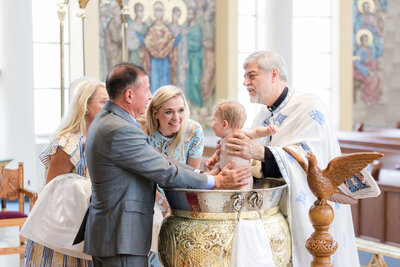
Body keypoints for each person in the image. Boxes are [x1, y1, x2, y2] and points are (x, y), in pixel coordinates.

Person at [73, 62, 251, 267]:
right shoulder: (118, 128)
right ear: (129, 95)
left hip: (115, 232)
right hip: (120, 234)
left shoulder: (111, 119)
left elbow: (162, 160)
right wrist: (214, 181)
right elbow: (164, 171)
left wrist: (202, 173)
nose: (150, 96)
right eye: (146, 89)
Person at [224, 51, 360, 266]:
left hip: (311, 214)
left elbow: (312, 161)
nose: (245, 82)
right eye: (245, 77)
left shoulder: (309, 107)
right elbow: (260, 162)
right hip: (274, 213)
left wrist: (259, 153)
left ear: (274, 74)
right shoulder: (262, 115)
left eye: (251, 76)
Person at [21, 78, 109, 266]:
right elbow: (51, 191)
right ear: (86, 106)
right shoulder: (69, 143)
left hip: (90, 225)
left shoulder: (103, 140)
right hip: (62, 230)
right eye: (103, 102)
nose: (108, 107)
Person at [141, 84, 204, 266]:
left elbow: (191, 178)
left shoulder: (193, 132)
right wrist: (162, 204)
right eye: (169, 112)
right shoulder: (142, 133)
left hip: (178, 200)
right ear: (155, 113)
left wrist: (178, 210)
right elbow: (141, 179)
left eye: (181, 110)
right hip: (147, 198)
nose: (177, 118)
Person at [206, 100, 278, 190]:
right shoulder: (222, 141)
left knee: (242, 199)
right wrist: (213, 159)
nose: (212, 123)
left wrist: (268, 131)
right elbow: (219, 152)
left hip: (243, 180)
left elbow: (256, 132)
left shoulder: (240, 134)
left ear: (224, 124)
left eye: (214, 120)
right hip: (227, 179)